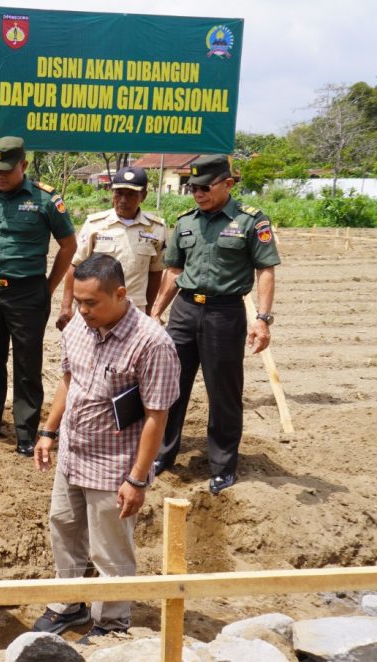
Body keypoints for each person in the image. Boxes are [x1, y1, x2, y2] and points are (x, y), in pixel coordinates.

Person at [31, 254, 180, 642]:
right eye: (78, 301)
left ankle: (111, 623)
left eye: (91, 303)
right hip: (73, 454)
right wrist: (49, 431)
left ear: (120, 293)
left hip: (115, 464)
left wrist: (137, 479)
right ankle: (69, 604)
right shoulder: (78, 327)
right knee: (64, 527)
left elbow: (156, 416)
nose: (82, 310)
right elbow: (69, 380)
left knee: (109, 549)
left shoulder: (152, 343)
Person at [149, 154, 281, 495]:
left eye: (205, 188)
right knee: (171, 386)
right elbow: (173, 271)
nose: (198, 193)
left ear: (228, 184)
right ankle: (161, 454)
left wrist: (263, 319)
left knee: (223, 392)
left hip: (225, 313)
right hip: (185, 311)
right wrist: (156, 312)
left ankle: (222, 467)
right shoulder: (186, 222)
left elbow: (265, 270)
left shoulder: (250, 221)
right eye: (193, 187)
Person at [0, 136, 77, 454]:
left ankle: (26, 432)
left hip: (28, 292)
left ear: (24, 165)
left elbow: (68, 245)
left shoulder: (46, 200)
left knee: (27, 364)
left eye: (6, 170)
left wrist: (48, 287)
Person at [57, 166, 165, 330]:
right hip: (94, 309)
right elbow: (75, 266)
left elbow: (155, 272)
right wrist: (66, 306)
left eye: (130, 194)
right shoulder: (95, 224)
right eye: (119, 193)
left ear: (143, 196)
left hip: (134, 313)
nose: (123, 200)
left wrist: (148, 311)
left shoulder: (156, 229)